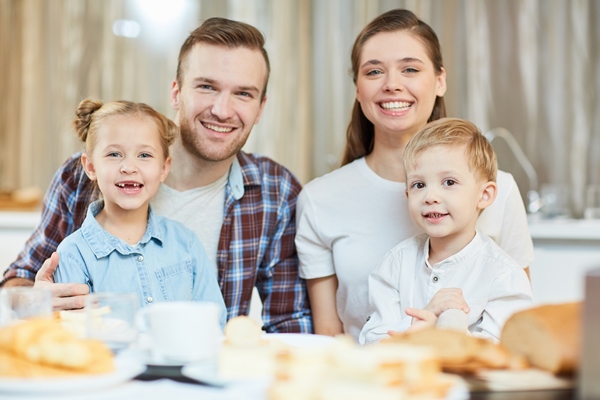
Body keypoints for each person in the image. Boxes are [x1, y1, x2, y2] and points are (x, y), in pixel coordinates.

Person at [1, 17, 312, 333]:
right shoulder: (80, 177)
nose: (222, 109)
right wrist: (35, 302)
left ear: (260, 108)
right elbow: (16, 284)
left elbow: (288, 323)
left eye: (243, 94)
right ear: (176, 93)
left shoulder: (276, 191)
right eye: (207, 86)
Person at [295, 9, 533, 340]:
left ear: (439, 81)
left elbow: (516, 330)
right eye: (374, 71)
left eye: (410, 69)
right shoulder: (319, 200)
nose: (392, 85)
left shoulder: (501, 190)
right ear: (357, 88)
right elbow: (329, 339)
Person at [53, 99, 227, 328]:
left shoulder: (185, 243)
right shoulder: (73, 254)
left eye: (144, 155)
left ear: (164, 168)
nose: (129, 167)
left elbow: (214, 323)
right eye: (114, 154)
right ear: (91, 167)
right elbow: (74, 338)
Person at [358, 118, 533, 345]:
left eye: (449, 182)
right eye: (419, 185)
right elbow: (371, 341)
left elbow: (504, 352)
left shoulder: (504, 276)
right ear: (408, 195)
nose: (430, 197)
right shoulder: (395, 264)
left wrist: (447, 330)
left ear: (485, 195)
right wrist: (419, 322)